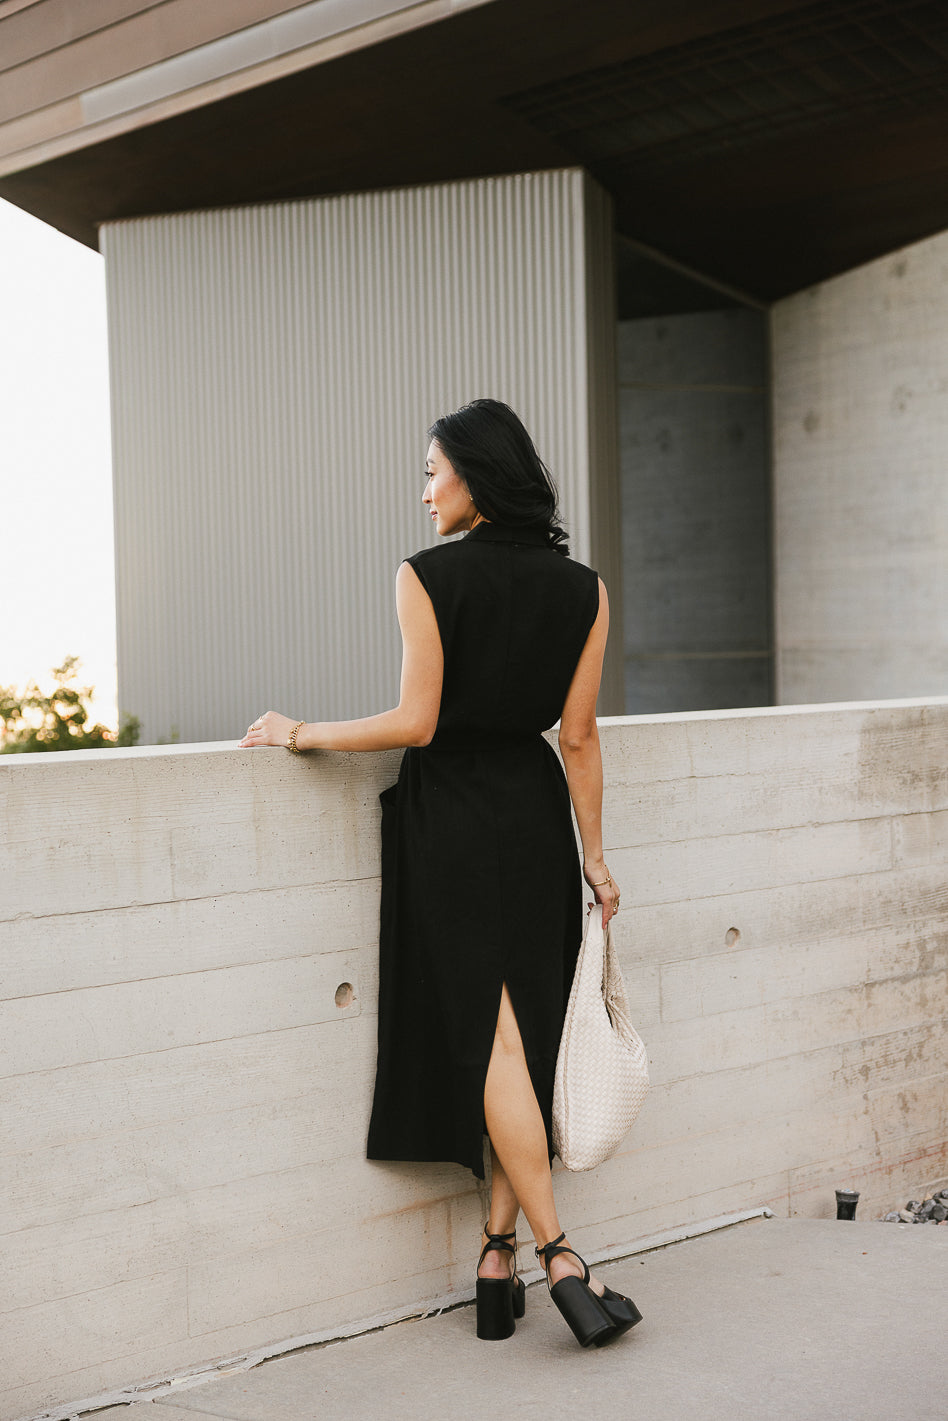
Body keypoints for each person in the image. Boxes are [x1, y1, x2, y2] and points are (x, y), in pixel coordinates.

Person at [239, 398, 641, 1348]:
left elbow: (416, 721)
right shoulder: (585, 587)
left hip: (453, 815)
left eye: (431, 471)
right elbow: (577, 737)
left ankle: (557, 1256)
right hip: (537, 815)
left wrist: (300, 730)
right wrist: (595, 856)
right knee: (525, 1039)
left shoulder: (424, 577)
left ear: (474, 473)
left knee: (498, 1043)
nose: (423, 492)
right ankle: (493, 1257)